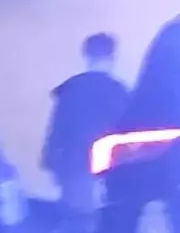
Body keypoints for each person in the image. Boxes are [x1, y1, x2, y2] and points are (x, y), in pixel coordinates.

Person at [41, 33, 129, 216]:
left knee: (76, 215)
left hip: (74, 164)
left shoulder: (71, 89)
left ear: (86, 56)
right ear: (113, 56)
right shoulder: (120, 91)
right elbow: (128, 131)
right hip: (111, 166)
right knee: (108, 216)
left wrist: (50, 160)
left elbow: (57, 128)